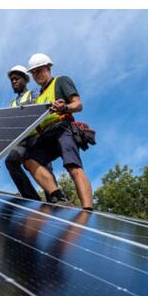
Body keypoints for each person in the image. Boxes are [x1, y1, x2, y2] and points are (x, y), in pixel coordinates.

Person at [23, 53, 93, 211]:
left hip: (63, 128)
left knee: (72, 166)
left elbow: (78, 104)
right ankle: (57, 196)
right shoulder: (39, 96)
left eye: (39, 70)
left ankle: (88, 210)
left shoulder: (60, 81)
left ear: (48, 68)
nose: (36, 75)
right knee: (29, 160)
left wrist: (65, 107)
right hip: (46, 135)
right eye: (33, 73)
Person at [4, 65, 56, 201]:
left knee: (43, 165)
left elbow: (44, 108)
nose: (14, 82)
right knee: (11, 161)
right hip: (21, 140)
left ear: (25, 80)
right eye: (12, 80)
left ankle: (55, 198)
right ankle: (31, 198)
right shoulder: (11, 104)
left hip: (36, 136)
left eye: (16, 79)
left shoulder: (33, 94)